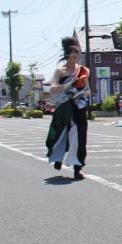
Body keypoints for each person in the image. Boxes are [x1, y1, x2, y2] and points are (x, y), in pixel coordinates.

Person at [46, 37, 91, 179]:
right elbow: (53, 89)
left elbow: (88, 89)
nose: (74, 59)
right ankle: (58, 157)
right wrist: (67, 86)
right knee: (61, 134)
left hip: (79, 107)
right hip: (64, 107)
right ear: (66, 56)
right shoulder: (60, 71)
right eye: (71, 56)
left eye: (76, 56)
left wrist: (82, 94)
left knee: (80, 136)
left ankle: (78, 167)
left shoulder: (83, 71)